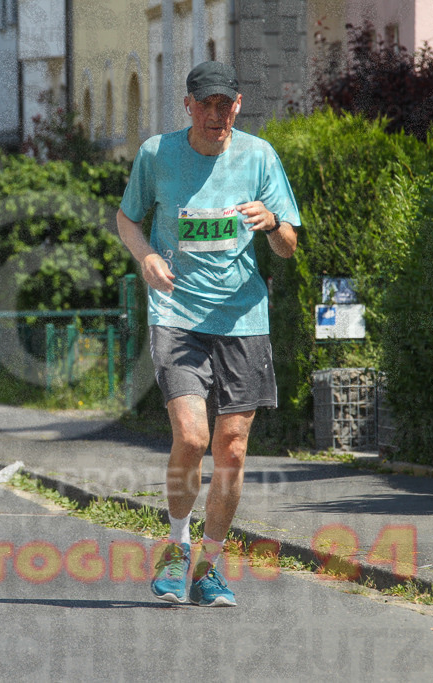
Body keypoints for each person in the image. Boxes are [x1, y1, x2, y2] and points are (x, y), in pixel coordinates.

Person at [115, 61, 300, 606]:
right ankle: (176, 546)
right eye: (208, 104)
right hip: (176, 314)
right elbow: (127, 218)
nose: (217, 114)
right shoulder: (157, 154)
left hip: (243, 319)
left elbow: (289, 244)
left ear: (237, 106)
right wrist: (145, 254)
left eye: (227, 104)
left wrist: (272, 223)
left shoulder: (260, 156)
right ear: (189, 106)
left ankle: (209, 566)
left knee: (233, 450)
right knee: (193, 438)